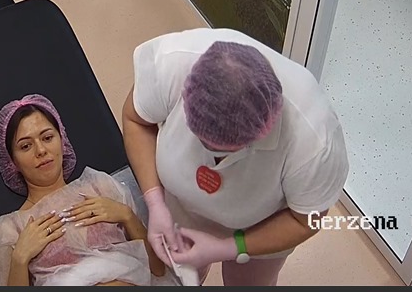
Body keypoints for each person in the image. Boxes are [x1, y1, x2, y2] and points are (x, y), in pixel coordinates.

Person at [125, 32, 347, 289]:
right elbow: (136, 121)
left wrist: (231, 247)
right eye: (203, 143)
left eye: (231, 151)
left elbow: (306, 219)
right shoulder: (172, 63)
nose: (216, 158)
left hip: (262, 226)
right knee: (182, 275)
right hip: (180, 208)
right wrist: (155, 203)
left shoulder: (315, 141)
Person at [0, 95, 159, 285]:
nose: (41, 150)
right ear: (12, 161)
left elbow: (159, 270)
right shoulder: (12, 228)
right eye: (26, 146)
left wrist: (127, 216)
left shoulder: (101, 187)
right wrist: (20, 259)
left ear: (62, 140)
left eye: (47, 138)